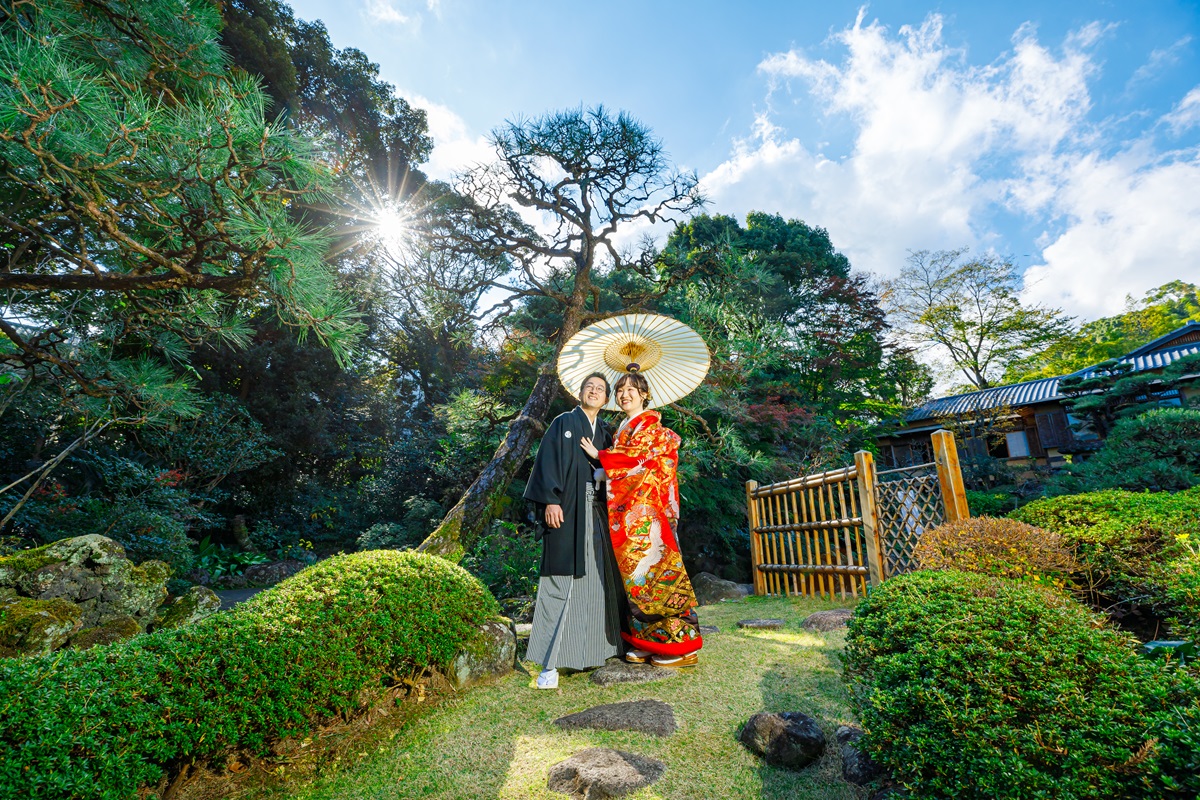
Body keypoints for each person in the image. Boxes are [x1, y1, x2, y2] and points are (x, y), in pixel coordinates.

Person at [580, 371, 703, 668]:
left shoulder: (649, 424)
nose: (625, 394)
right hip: (634, 513)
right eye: (620, 389)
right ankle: (649, 641)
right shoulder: (624, 427)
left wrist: (602, 459)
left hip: (650, 513)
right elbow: (631, 458)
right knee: (636, 580)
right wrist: (608, 467)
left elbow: (642, 460)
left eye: (632, 389)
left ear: (645, 394)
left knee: (659, 575)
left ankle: (682, 647)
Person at [523, 372, 625, 689]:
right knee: (561, 583)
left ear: (606, 399)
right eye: (589, 387)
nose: (594, 392)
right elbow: (547, 463)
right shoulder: (563, 423)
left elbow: (617, 474)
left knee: (596, 583)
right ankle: (549, 665)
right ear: (579, 393)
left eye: (600, 389)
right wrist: (550, 501)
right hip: (567, 511)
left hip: (597, 514)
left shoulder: (606, 435)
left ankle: (594, 652)